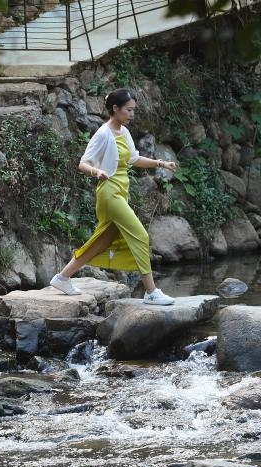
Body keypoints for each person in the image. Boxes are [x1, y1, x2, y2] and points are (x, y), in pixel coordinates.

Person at [50, 88, 178, 305]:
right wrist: (96, 171)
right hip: (109, 193)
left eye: (133, 110)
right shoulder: (103, 133)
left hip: (121, 192)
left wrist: (160, 163)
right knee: (140, 236)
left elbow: (134, 159)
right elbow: (83, 162)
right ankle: (151, 292)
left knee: (101, 242)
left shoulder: (124, 132)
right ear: (115, 109)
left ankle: (62, 278)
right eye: (128, 110)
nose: (132, 114)